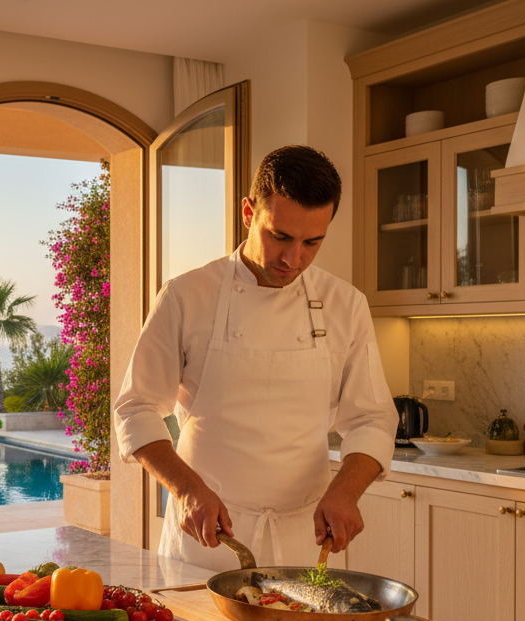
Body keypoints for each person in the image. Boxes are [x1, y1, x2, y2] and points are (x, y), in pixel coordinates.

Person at [114, 145, 397, 571]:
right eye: (279, 236)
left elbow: (371, 419)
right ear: (249, 213)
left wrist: (346, 492)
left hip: (307, 540)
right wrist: (188, 489)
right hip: (207, 538)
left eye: (312, 242)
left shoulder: (346, 305)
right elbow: (136, 409)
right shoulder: (186, 296)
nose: (293, 258)